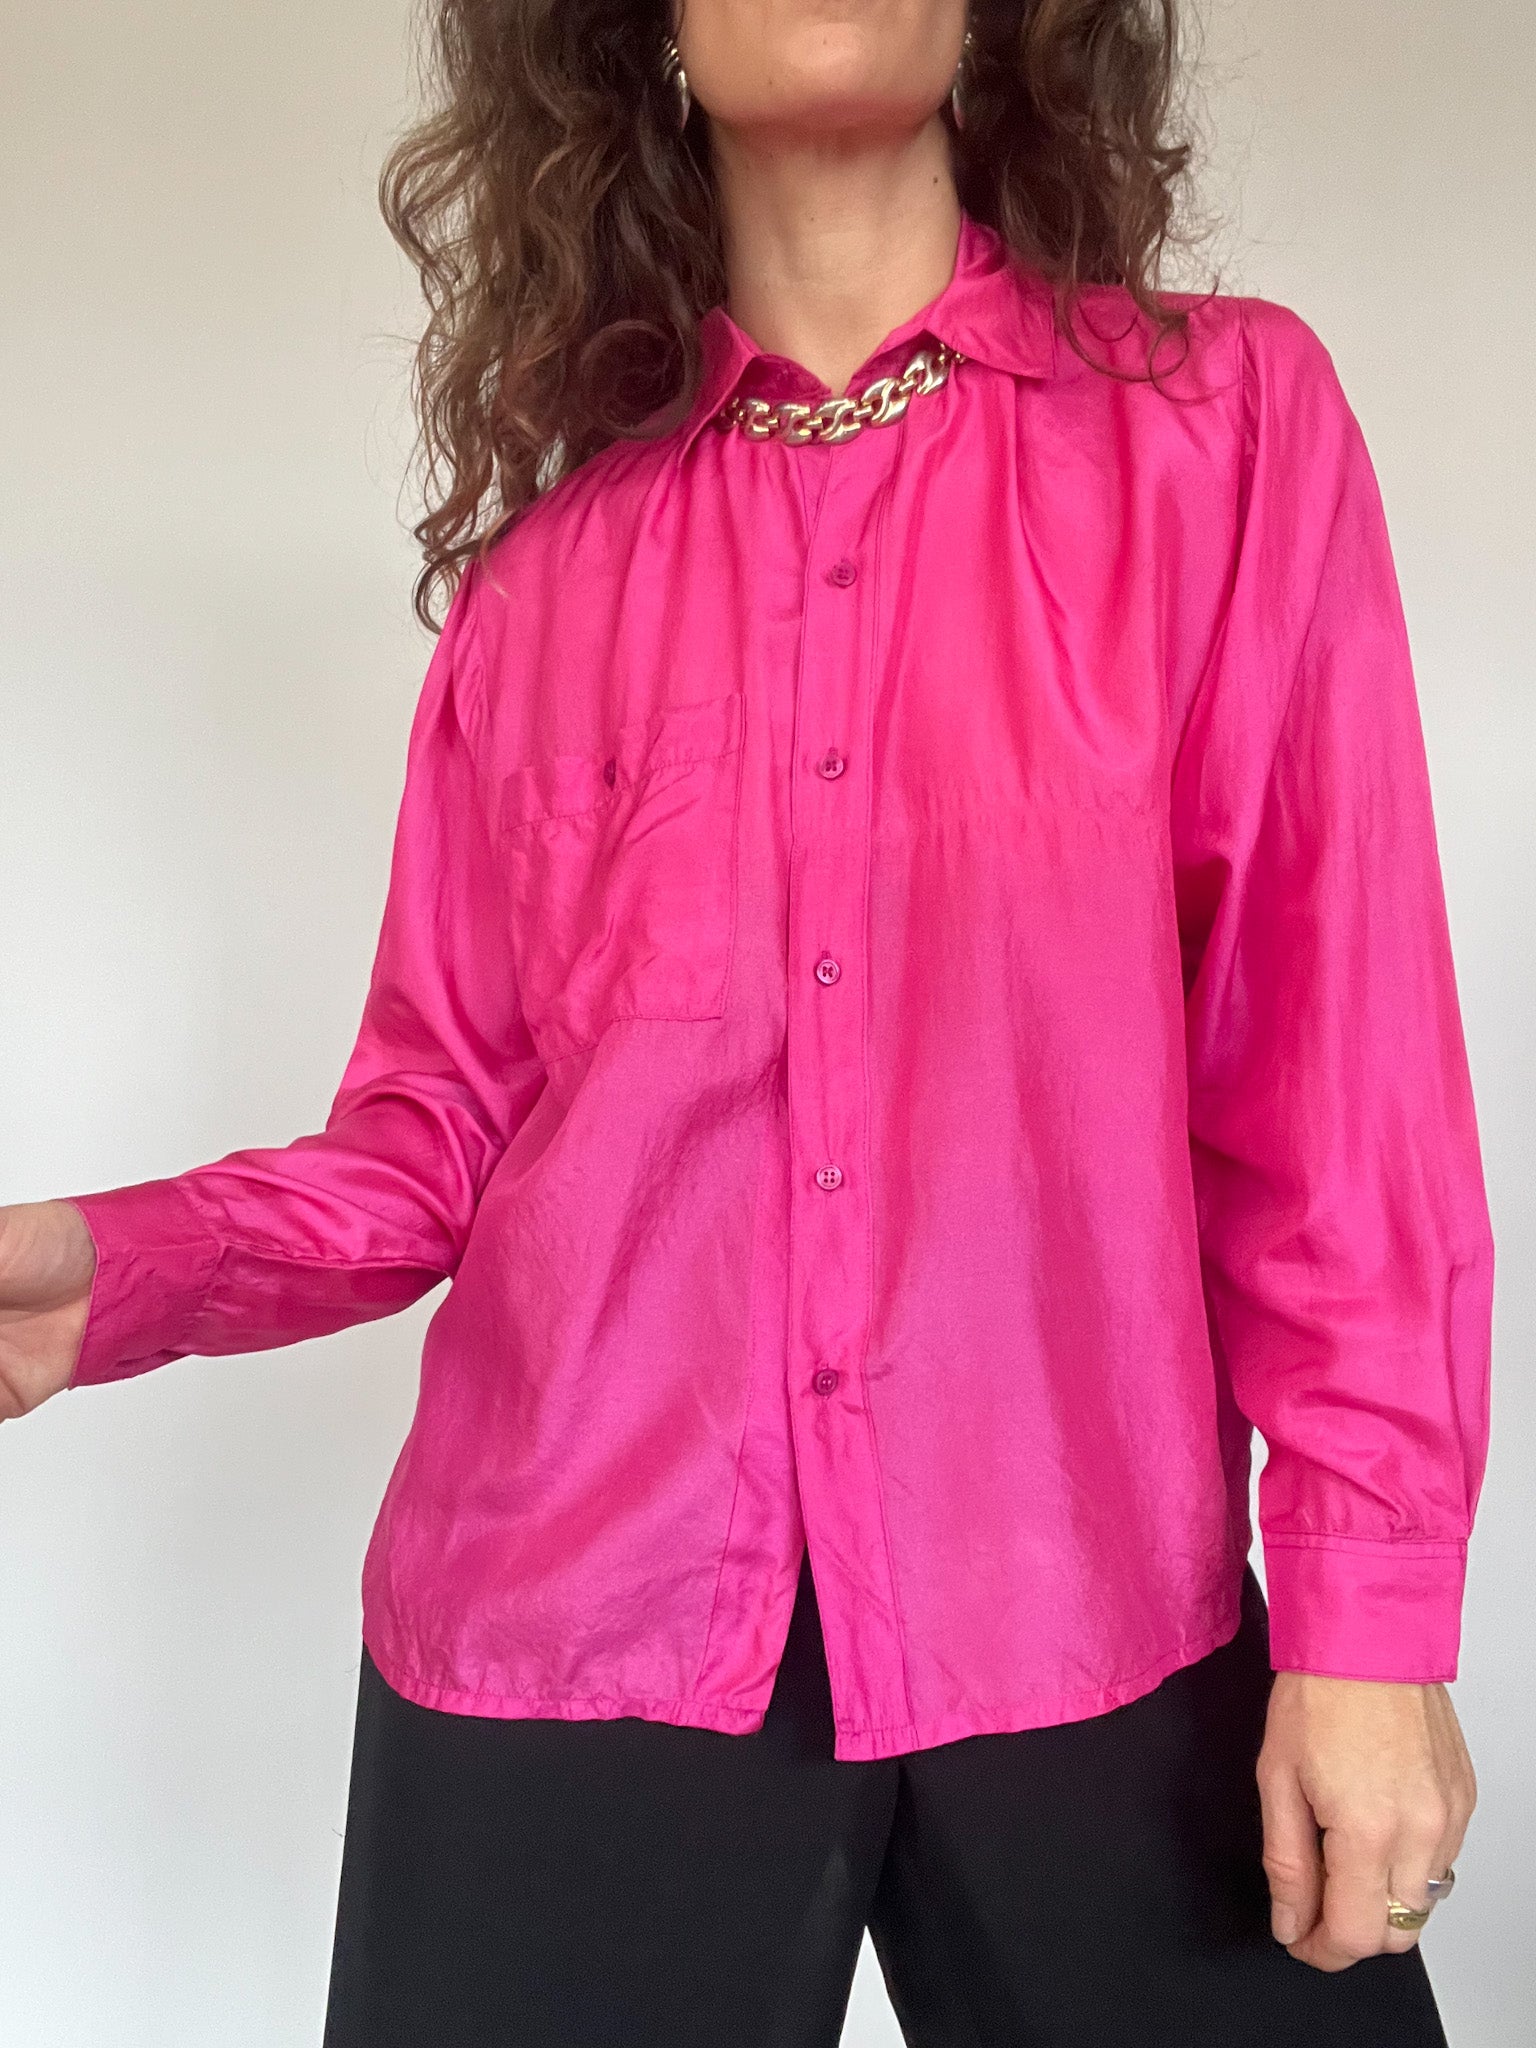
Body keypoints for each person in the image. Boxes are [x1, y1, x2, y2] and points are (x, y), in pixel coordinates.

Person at [0, 3, 1493, 2043]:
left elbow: (1332, 1072)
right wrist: (113, 1272)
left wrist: (1370, 1614)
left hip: (1088, 1603)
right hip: (570, 1624)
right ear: (638, 29)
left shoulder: (1221, 429)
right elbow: (443, 1129)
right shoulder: (547, 581)